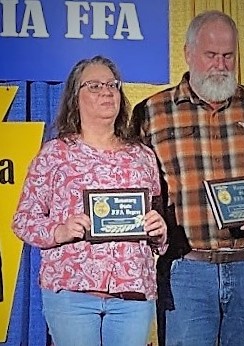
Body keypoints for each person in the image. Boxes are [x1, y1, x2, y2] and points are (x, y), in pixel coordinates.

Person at [130, 10, 244, 346]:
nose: (221, 65)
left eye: (229, 56)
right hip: (185, 271)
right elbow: (136, 186)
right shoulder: (151, 112)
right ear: (188, 53)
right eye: (211, 55)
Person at [12, 55, 167, 346]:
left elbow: (156, 225)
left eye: (112, 84)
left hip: (133, 297)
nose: (107, 91)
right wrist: (59, 231)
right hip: (72, 297)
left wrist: (160, 231)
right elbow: (23, 220)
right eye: (94, 85)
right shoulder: (54, 154)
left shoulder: (143, 156)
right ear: (75, 96)